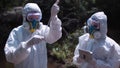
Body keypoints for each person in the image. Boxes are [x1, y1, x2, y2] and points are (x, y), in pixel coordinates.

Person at [4, 0, 62, 68]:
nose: (34, 21)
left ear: (40, 17)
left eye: (37, 17)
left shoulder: (42, 29)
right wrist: (27, 45)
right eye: (31, 18)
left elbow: (54, 37)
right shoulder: (16, 32)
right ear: (25, 17)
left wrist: (54, 17)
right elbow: (11, 58)